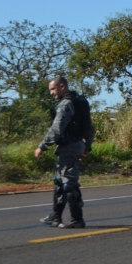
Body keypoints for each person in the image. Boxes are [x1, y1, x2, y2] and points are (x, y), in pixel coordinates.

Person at [36, 76, 94, 229]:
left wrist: (42, 146)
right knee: (59, 181)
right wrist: (87, 146)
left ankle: (77, 219)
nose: (51, 93)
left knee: (68, 184)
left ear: (62, 86)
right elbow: (88, 127)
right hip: (76, 146)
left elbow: (57, 128)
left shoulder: (66, 104)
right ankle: (56, 216)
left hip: (69, 147)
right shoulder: (80, 101)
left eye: (53, 89)